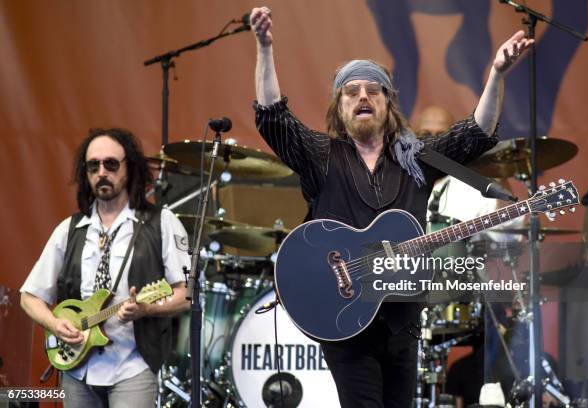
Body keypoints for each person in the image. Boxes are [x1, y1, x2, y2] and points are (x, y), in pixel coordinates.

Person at [250, 6, 533, 407]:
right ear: (340, 108)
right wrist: (264, 48)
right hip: (344, 318)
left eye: (373, 90)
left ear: (387, 105)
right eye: (351, 91)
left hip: (401, 318)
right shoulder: (321, 155)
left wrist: (497, 75)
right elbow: (273, 118)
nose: (362, 96)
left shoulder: (415, 159)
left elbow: (477, 132)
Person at [20, 128, 191, 408]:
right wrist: (54, 324)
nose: (102, 172)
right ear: (85, 173)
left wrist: (148, 309)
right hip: (76, 369)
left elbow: (187, 293)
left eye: (111, 164)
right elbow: (29, 296)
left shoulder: (161, 223)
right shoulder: (70, 229)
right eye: (93, 165)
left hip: (132, 367)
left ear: (129, 168)